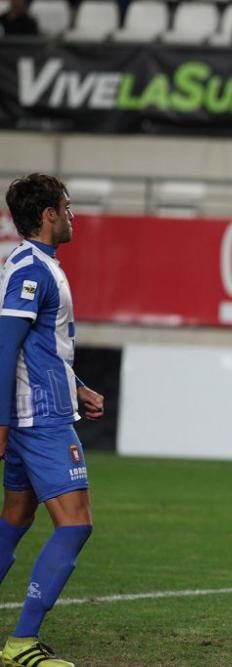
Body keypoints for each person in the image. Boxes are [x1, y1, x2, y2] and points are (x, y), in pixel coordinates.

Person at [0, 174, 104, 667]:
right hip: (38, 419)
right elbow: (5, 348)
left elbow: (43, 346)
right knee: (75, 525)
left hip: (38, 410)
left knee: (16, 518)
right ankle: (22, 643)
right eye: (66, 206)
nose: (72, 214)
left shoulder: (39, 264)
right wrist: (2, 419)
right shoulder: (30, 269)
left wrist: (77, 385)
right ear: (47, 214)